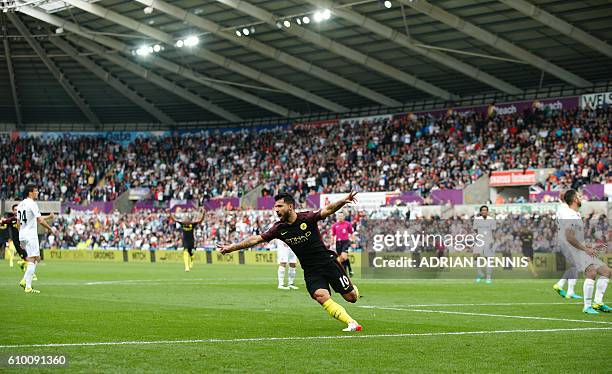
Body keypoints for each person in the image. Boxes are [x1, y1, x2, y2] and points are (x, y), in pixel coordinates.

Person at [218, 192, 362, 332]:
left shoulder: (307, 218)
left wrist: (343, 200)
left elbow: (328, 209)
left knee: (351, 298)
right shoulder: (279, 228)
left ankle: (352, 288)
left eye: (280, 206)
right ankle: (351, 322)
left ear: (290, 206)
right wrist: (232, 247)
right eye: (275, 207)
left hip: (328, 263)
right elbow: (256, 239)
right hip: (311, 270)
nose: (276, 210)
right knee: (320, 296)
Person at [558, 190, 609, 314]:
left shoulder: (575, 214)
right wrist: (585, 249)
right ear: (575, 199)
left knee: (606, 272)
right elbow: (569, 237)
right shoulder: (570, 214)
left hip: (579, 249)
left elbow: (576, 236)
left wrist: (591, 245)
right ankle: (587, 306)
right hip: (574, 251)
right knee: (591, 272)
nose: (581, 198)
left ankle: (597, 303)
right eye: (579, 196)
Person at [16, 185, 54, 294]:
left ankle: (24, 280)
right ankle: (28, 287)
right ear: (30, 193)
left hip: (22, 234)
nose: (37, 192)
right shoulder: (32, 204)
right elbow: (40, 220)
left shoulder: (20, 205)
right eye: (36, 191)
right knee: (33, 259)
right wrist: (50, 228)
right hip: (30, 235)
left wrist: (20, 237)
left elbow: (18, 223)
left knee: (37, 258)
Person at [552, 191, 582, 299]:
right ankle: (561, 285)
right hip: (567, 240)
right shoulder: (566, 210)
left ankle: (569, 290)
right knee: (576, 265)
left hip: (566, 239)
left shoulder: (563, 209)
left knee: (575, 265)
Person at [473, 205, 496, 284]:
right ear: (480, 212)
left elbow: (493, 231)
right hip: (480, 240)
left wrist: (492, 241)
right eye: (483, 210)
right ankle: (480, 273)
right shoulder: (476, 220)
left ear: (487, 211)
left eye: (486, 210)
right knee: (475, 257)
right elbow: (475, 230)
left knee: (488, 259)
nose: (484, 211)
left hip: (488, 241)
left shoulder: (492, 220)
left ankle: (488, 277)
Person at [331, 212, 354, 276]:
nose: (340, 217)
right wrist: (331, 242)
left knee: (343, 257)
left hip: (345, 242)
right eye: (339, 216)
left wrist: (353, 242)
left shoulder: (348, 224)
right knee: (344, 259)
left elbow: (351, 233)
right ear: (337, 217)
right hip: (338, 243)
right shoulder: (335, 225)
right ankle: (348, 271)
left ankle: (348, 269)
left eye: (341, 216)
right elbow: (333, 235)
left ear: (344, 217)